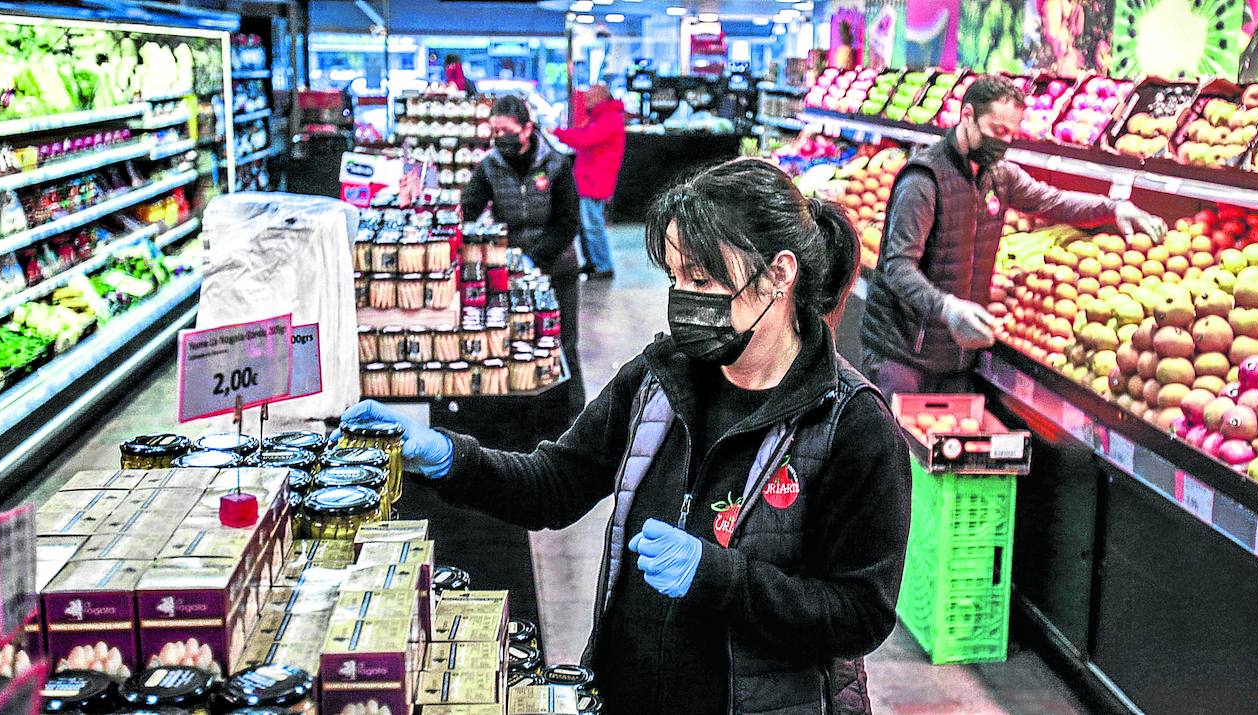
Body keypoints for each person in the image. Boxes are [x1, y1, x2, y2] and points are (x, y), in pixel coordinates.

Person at [345, 159, 912, 715]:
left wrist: (719, 577)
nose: (684, 297)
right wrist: (448, 456)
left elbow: (860, 614)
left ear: (779, 275)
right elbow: (556, 484)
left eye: (703, 278)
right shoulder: (659, 379)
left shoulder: (852, 427)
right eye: (675, 276)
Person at [861, 74, 1167, 395]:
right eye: (997, 130)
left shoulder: (999, 176)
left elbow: (1054, 200)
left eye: (1011, 133)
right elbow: (898, 267)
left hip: (956, 356)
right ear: (967, 116)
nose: (1004, 141)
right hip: (901, 355)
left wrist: (1114, 207)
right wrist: (947, 308)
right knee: (898, 442)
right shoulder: (924, 180)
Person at [461, 94, 586, 422]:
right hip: (512, 274)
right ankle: (530, 421)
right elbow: (469, 207)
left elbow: (568, 222)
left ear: (526, 129)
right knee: (517, 343)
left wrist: (535, 258)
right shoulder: (490, 166)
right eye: (494, 130)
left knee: (563, 343)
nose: (498, 137)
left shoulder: (557, 164)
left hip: (557, 266)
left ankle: (573, 417)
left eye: (505, 130)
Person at [553, 84, 626, 279]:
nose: (585, 101)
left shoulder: (609, 118)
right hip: (591, 178)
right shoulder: (605, 116)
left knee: (592, 224)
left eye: (590, 97)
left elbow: (587, 139)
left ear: (601, 98)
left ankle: (603, 265)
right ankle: (593, 262)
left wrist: (558, 134)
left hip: (595, 180)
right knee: (587, 224)